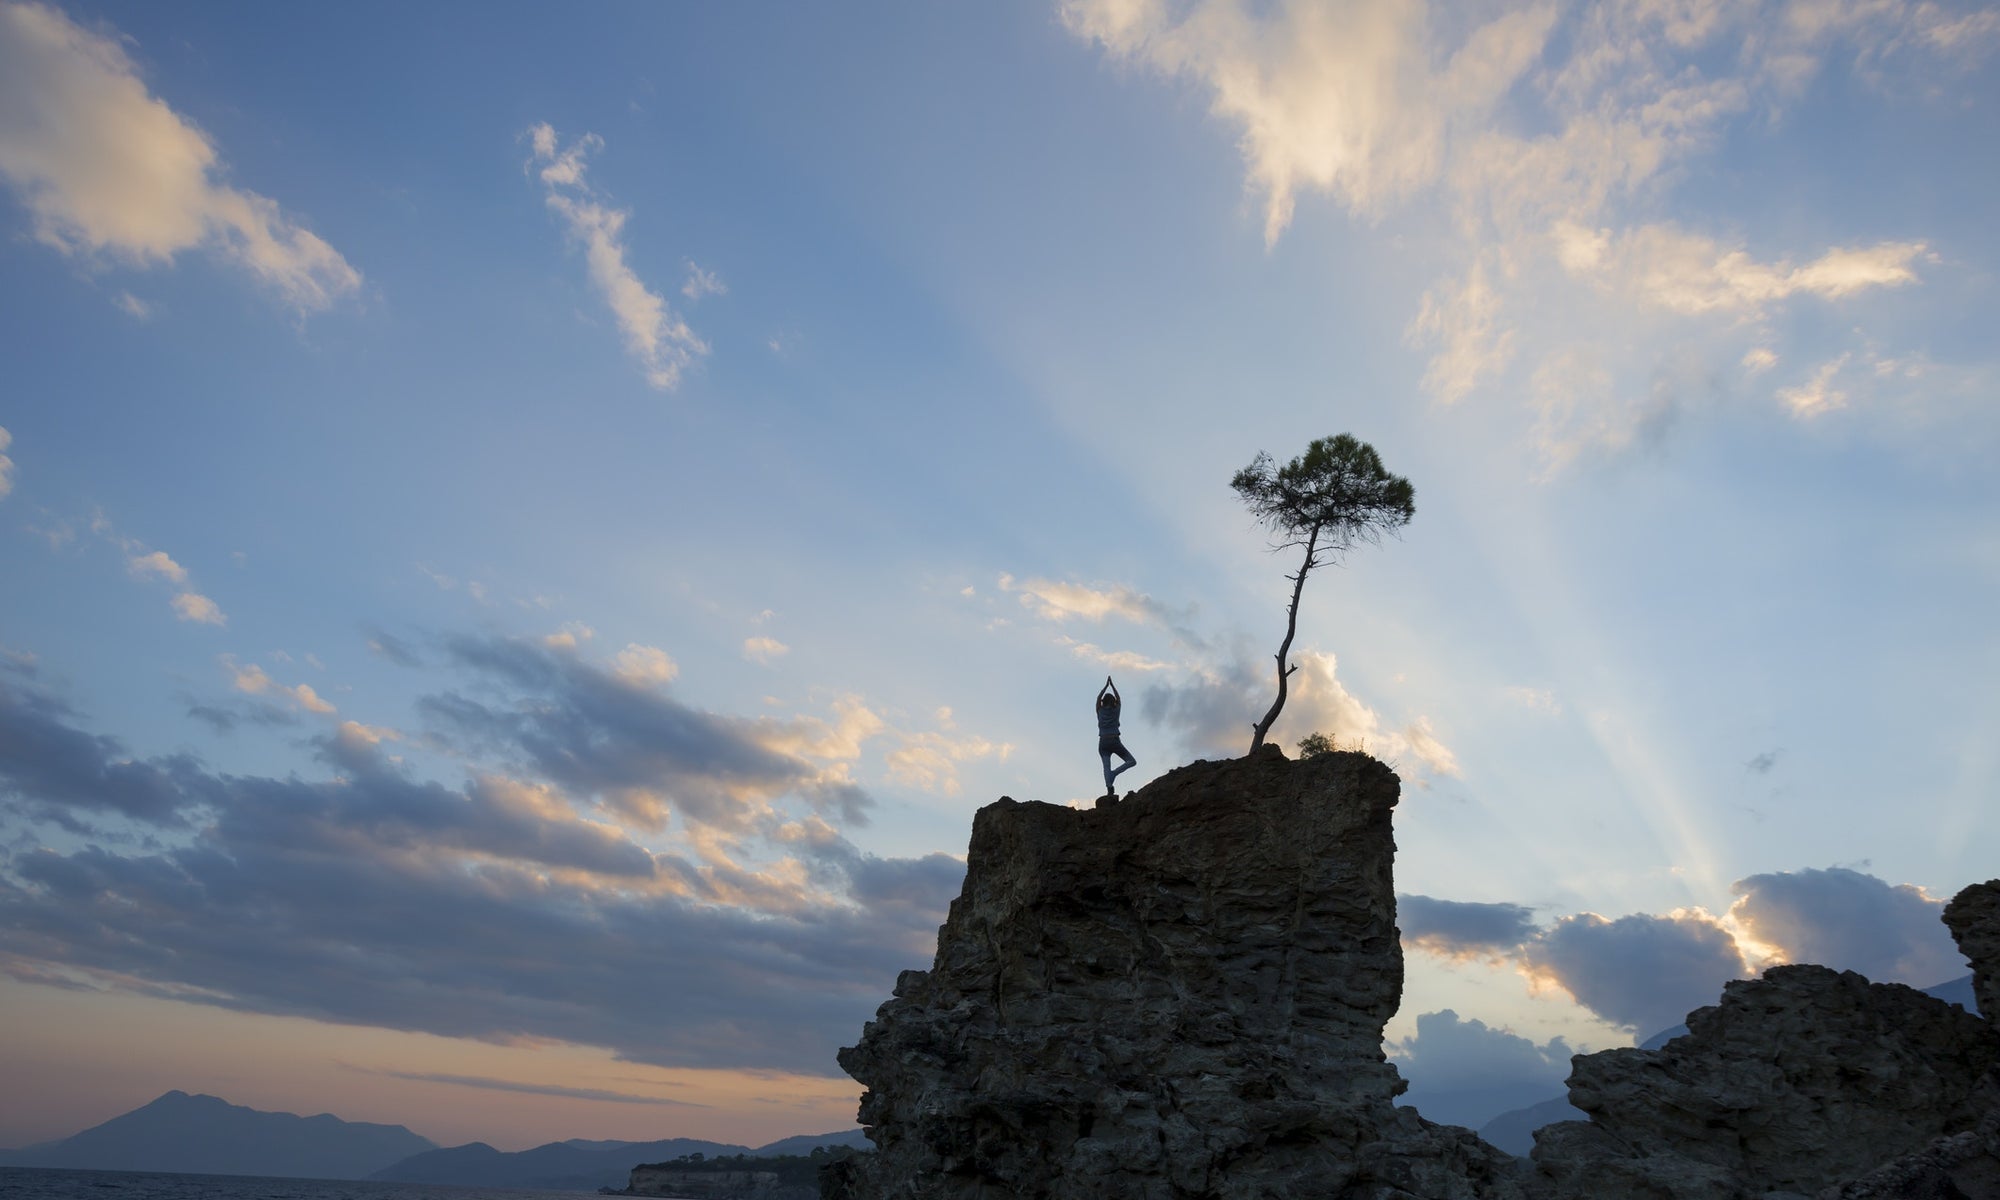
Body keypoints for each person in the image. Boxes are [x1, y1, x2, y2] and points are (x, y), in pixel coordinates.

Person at [1097, 676, 1136, 796]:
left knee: (1106, 767)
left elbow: (1098, 698)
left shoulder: (1100, 710)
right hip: (1114, 741)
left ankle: (1109, 787)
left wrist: (1105, 687)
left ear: (1103, 702)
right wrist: (1112, 685)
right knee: (1131, 761)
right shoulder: (1116, 710)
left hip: (1103, 742)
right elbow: (1119, 698)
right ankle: (1114, 774)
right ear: (1113, 701)